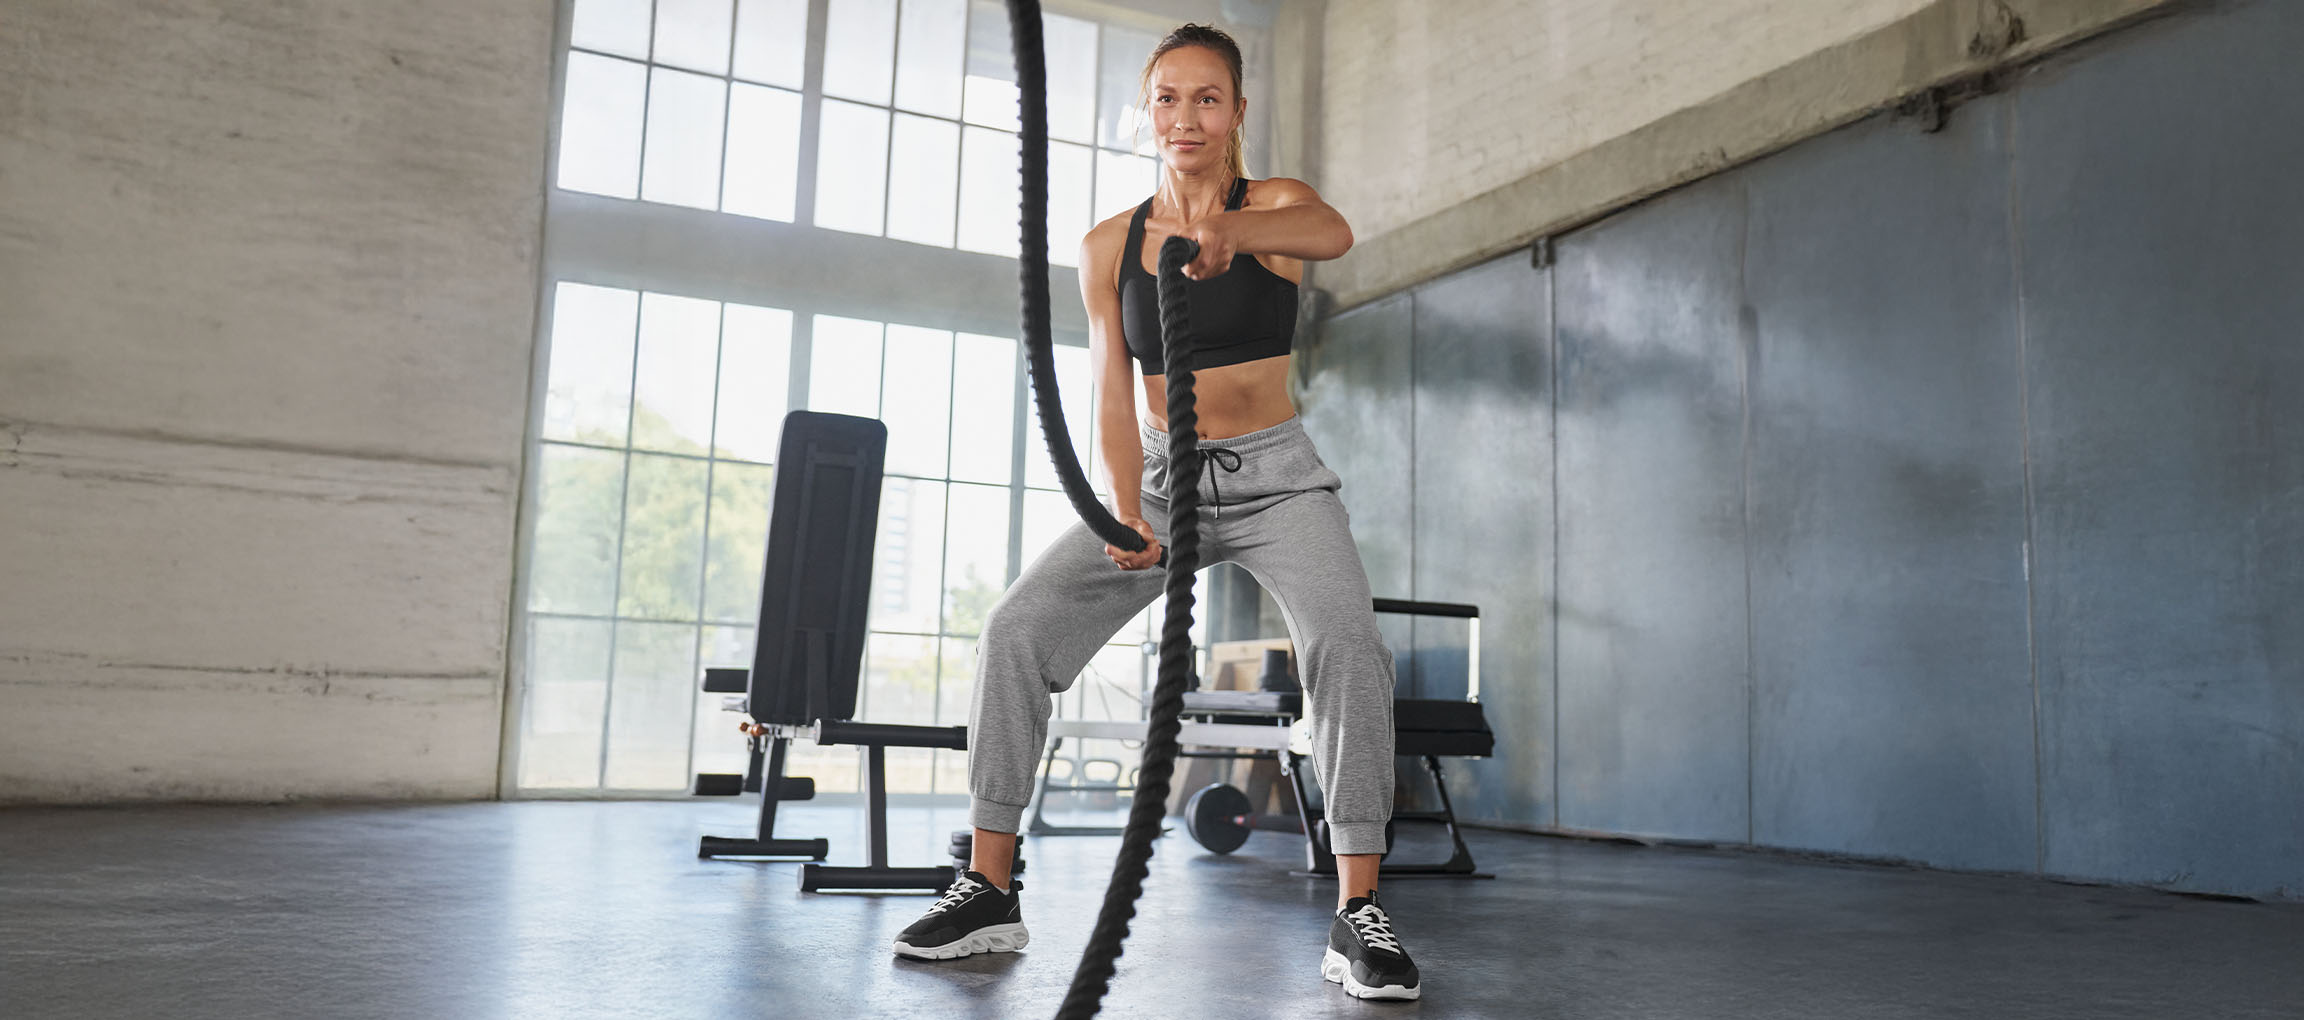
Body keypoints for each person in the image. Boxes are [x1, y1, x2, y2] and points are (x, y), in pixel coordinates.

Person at [891, 23, 1420, 1002]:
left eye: (1207, 97)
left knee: (1349, 643)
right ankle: (990, 887)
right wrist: (1123, 508)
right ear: (1148, 111)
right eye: (1168, 97)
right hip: (1164, 485)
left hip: (1278, 479)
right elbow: (1110, 388)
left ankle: (1360, 910)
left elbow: (1333, 234)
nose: (1186, 116)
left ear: (1237, 111)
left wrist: (1232, 235)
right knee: (1015, 631)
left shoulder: (1275, 207)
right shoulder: (1109, 244)